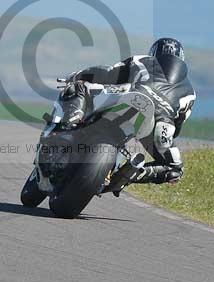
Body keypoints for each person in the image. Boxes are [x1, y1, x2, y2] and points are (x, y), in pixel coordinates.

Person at [58, 37, 196, 186]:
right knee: (174, 169)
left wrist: (78, 75)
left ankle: (72, 120)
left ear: (154, 52)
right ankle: (129, 173)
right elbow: (177, 127)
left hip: (133, 95)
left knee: (80, 86)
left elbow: (109, 73)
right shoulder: (190, 92)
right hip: (161, 123)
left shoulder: (143, 60)